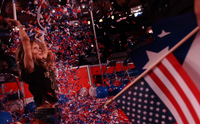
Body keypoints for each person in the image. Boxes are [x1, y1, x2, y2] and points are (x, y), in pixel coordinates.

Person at [5, 18, 59, 124]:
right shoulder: (31, 67)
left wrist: (40, 36)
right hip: (44, 112)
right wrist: (19, 25)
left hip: (53, 109)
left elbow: (45, 50)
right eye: (34, 48)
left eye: (38, 48)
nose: (39, 50)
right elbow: (26, 43)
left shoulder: (43, 63)